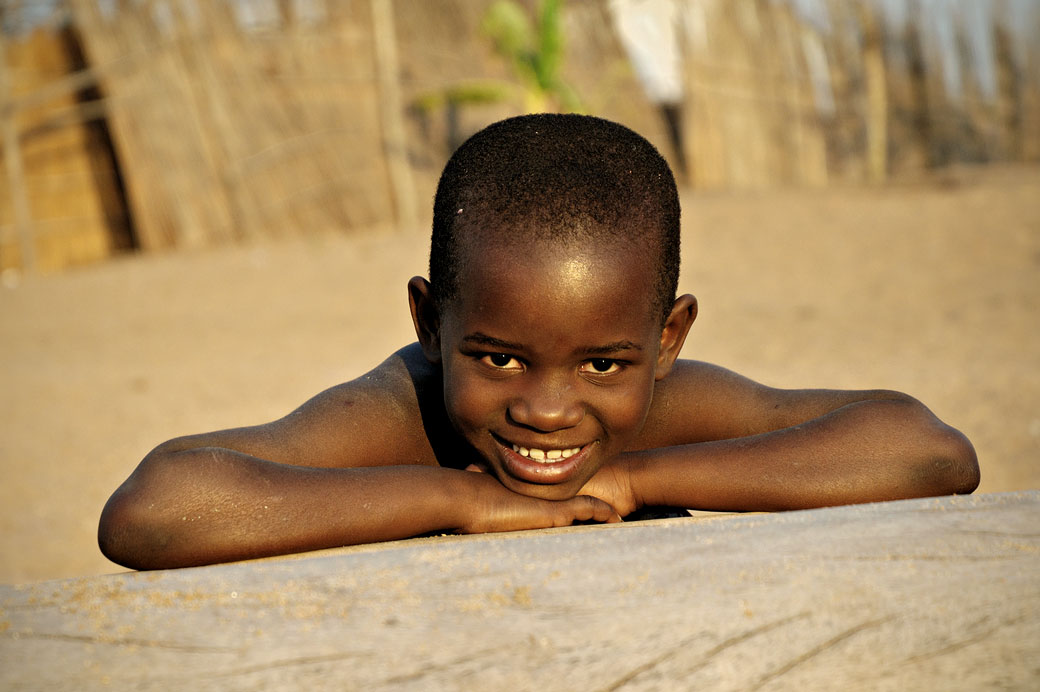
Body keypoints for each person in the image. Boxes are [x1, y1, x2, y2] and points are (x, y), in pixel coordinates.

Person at [98, 114, 979, 570]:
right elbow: (155, 508)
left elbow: (926, 451)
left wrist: (631, 479)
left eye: (603, 362)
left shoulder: (660, 414)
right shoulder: (398, 420)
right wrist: (460, 500)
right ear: (429, 324)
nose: (548, 409)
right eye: (499, 357)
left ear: (666, 338)